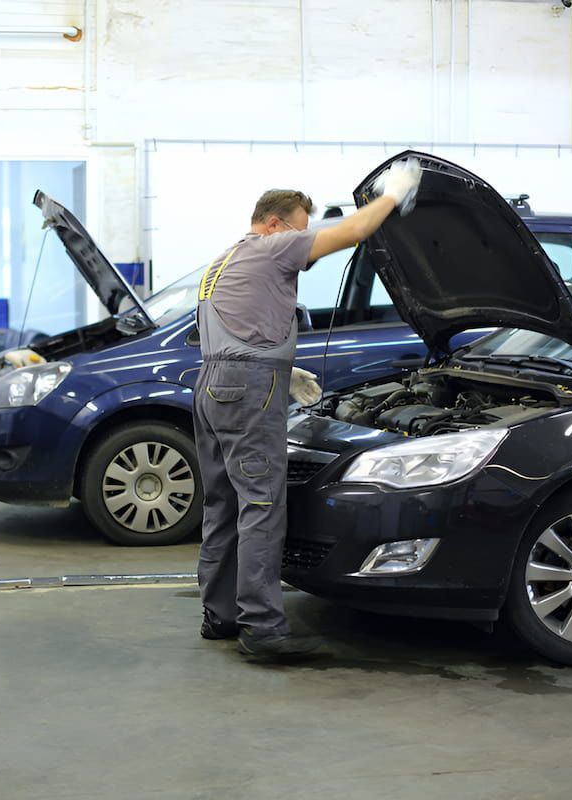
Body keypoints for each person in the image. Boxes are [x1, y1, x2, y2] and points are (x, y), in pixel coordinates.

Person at [194, 159, 423, 660]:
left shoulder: (223, 259)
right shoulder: (273, 245)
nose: (303, 245)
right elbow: (355, 231)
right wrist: (393, 195)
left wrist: (281, 367)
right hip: (247, 389)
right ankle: (263, 629)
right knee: (261, 505)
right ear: (275, 223)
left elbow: (232, 328)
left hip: (213, 384)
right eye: (300, 228)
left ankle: (221, 614)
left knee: (224, 505)